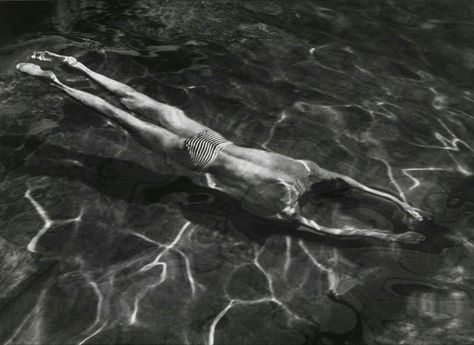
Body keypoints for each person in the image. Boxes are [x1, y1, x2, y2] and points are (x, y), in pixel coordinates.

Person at [16, 51, 425, 244]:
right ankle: (51, 80)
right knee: (121, 117)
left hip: (213, 138)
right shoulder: (282, 206)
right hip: (201, 157)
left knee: (141, 102)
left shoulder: (306, 169)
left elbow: (355, 186)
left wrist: (401, 205)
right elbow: (328, 229)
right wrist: (388, 236)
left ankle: (78, 67)